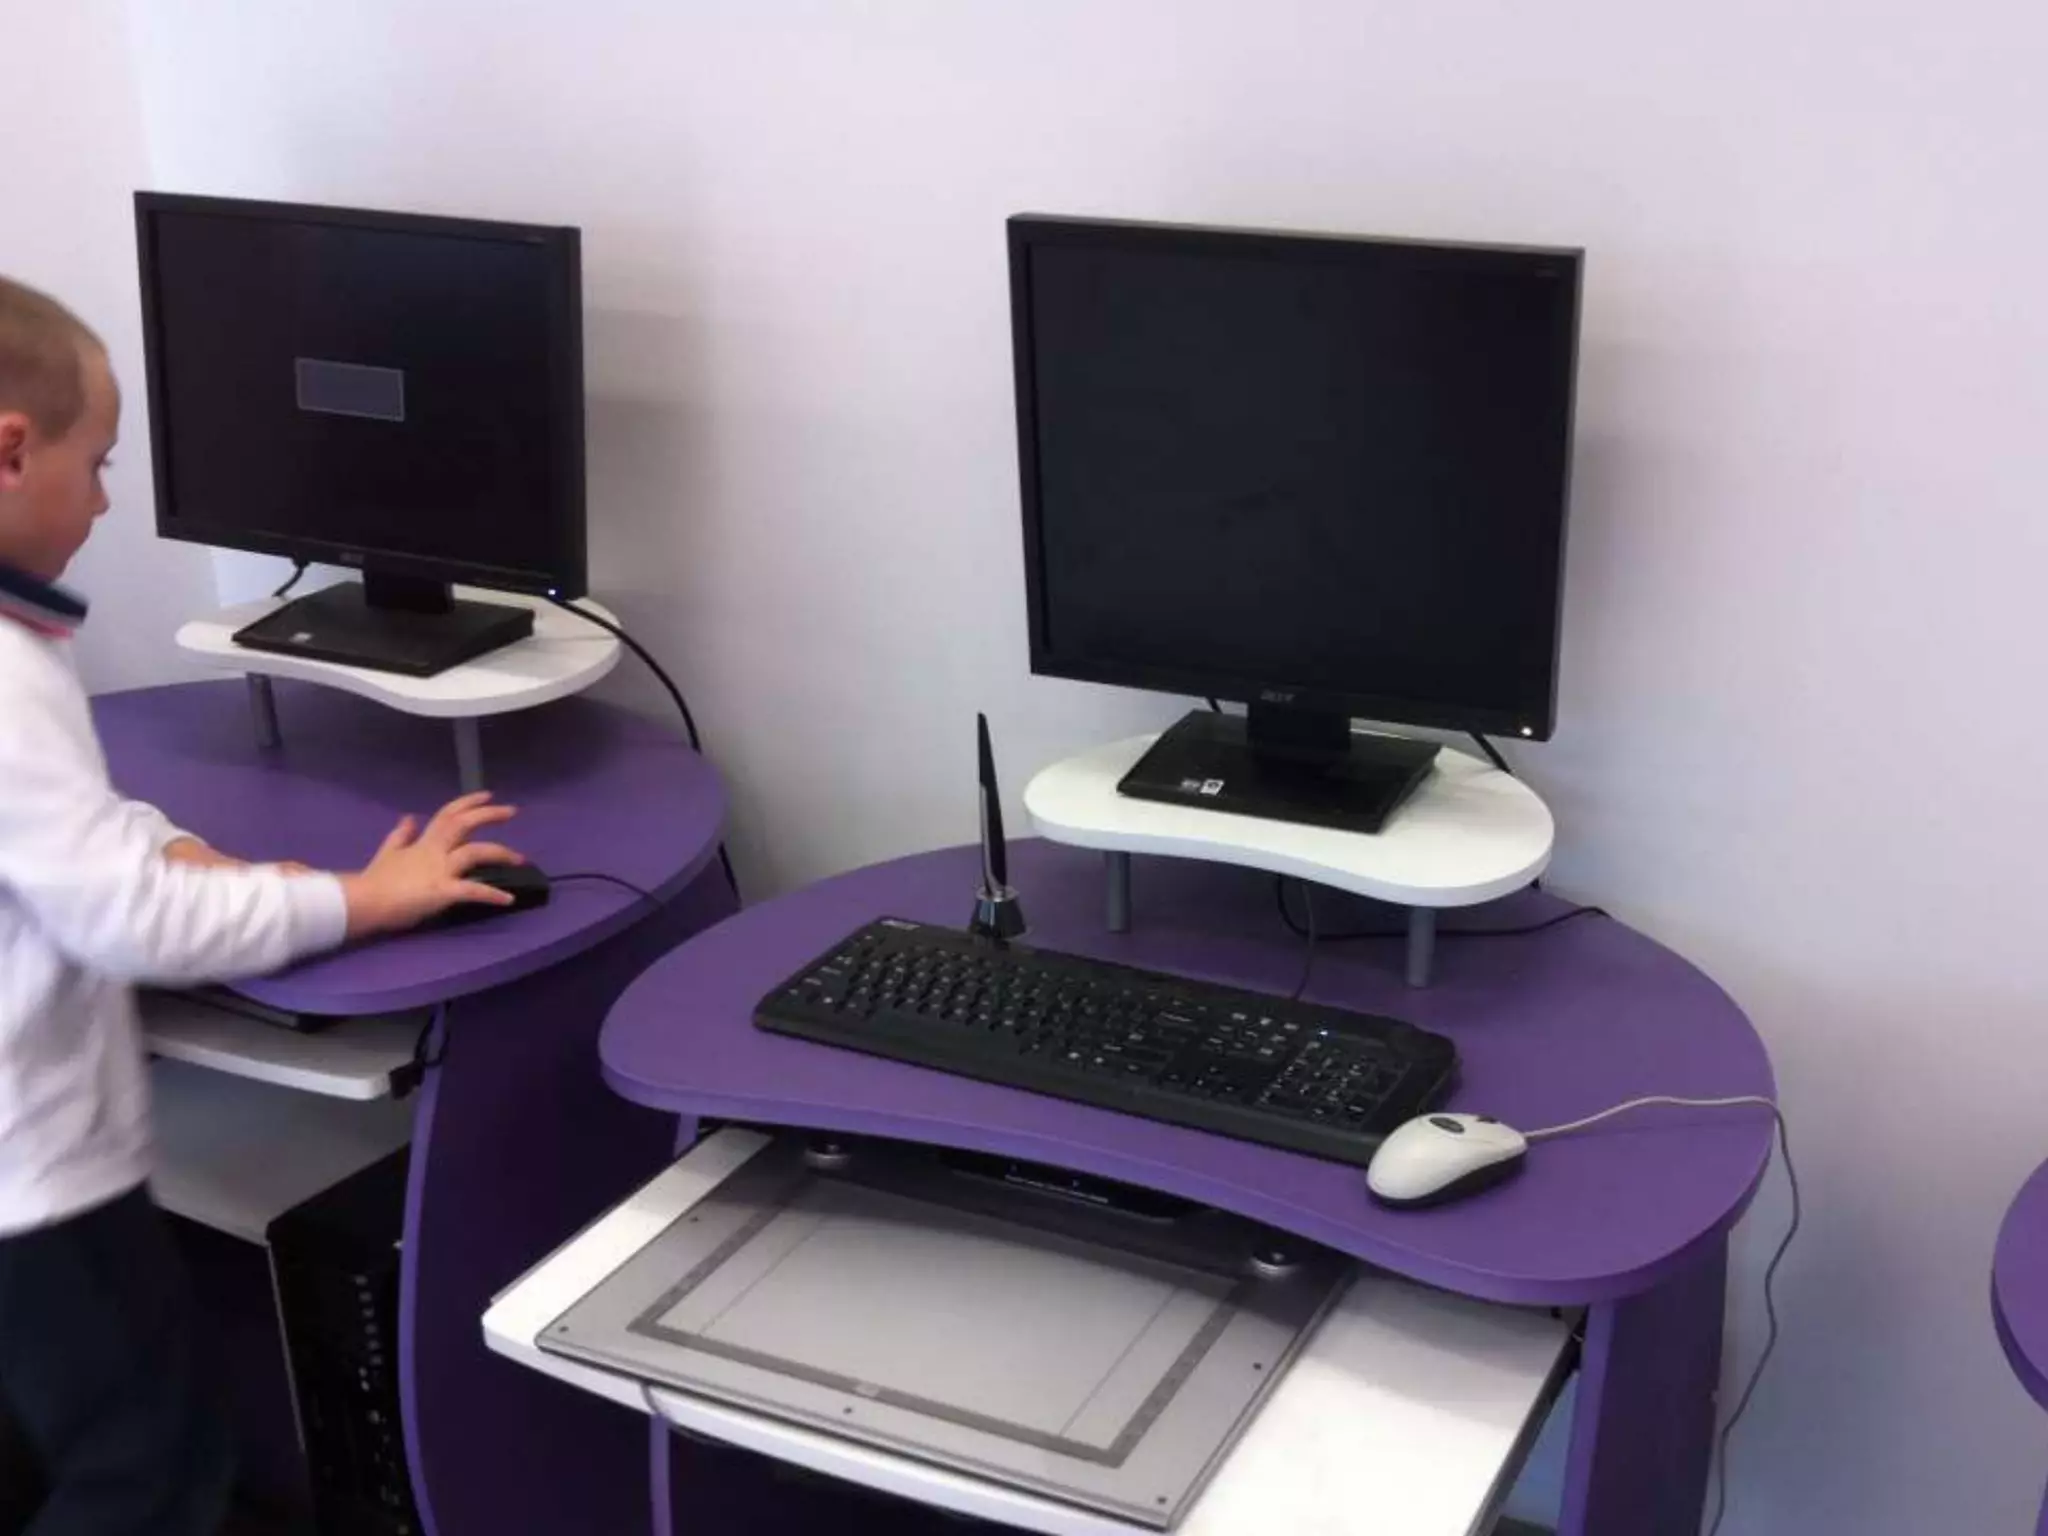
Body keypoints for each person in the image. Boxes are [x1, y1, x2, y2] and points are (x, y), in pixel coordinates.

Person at [0, 273, 526, 1534]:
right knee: (150, 1468)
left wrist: (167, 846)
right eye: (97, 463)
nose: (106, 501)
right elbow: (123, 923)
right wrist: (362, 899)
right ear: (10, 450)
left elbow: (49, 831)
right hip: (33, 1181)